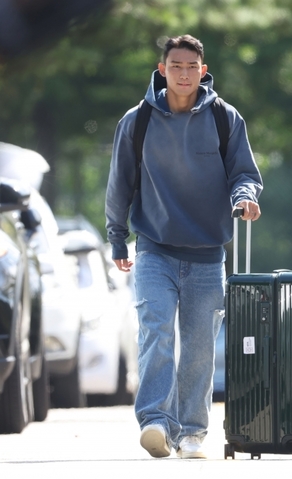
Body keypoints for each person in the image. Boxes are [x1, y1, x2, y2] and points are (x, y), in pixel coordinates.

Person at [105, 34, 262, 460]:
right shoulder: (136, 121)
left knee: (198, 346)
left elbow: (244, 173)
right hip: (154, 248)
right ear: (162, 70)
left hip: (208, 253)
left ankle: (192, 431)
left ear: (203, 71)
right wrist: (117, 235)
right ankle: (155, 421)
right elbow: (120, 183)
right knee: (156, 332)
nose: (184, 73)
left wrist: (244, 198)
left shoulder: (225, 118)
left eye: (192, 66)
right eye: (176, 66)